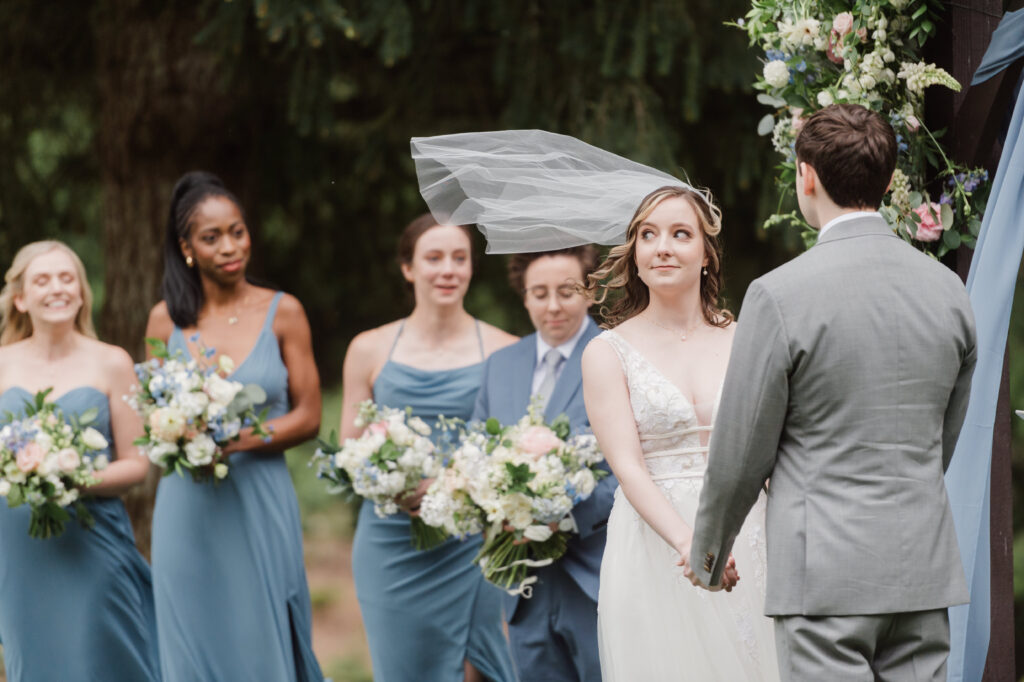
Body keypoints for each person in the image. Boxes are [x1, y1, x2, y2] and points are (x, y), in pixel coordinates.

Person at [687, 104, 976, 681]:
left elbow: (742, 452)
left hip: (822, 579)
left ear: (806, 175)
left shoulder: (778, 295)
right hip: (919, 570)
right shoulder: (949, 291)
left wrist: (710, 553)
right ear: (889, 181)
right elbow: (941, 436)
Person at [581, 185, 779, 681]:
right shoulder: (607, 353)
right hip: (655, 541)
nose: (662, 246)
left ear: (706, 255)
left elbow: (774, 449)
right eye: (648, 235)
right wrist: (693, 544)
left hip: (750, 531)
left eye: (680, 233)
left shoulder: (746, 338)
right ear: (635, 256)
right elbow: (627, 467)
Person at [146, 171, 324, 681]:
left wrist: (235, 441)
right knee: (190, 634)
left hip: (259, 494)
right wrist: (182, 434)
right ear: (186, 248)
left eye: (238, 231)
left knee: (262, 634)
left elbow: (309, 415)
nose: (230, 246)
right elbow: (156, 414)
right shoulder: (165, 321)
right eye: (212, 237)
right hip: (187, 503)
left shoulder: (283, 311)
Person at [341, 214, 518, 682]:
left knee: (480, 669)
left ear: (471, 268)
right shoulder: (368, 348)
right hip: (392, 540)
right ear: (408, 268)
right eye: (434, 258)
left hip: (472, 543)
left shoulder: (505, 350)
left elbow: (512, 453)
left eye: (459, 258)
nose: (448, 270)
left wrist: (459, 488)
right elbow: (349, 449)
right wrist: (388, 484)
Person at [0, 240, 158, 682]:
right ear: (20, 298)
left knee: (102, 657)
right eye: (43, 280)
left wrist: (70, 476)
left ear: (82, 292)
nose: (57, 288)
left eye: (67, 278)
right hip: (19, 544)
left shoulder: (112, 362)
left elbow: (137, 464)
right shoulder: (1, 364)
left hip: (93, 539)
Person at [471, 246, 616, 681]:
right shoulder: (501, 365)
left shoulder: (616, 355)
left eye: (566, 291)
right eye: (539, 293)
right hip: (522, 580)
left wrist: (562, 516)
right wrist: (497, 509)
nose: (553, 305)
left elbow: (635, 467)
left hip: (595, 573)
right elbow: (476, 457)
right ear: (525, 297)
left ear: (589, 293)